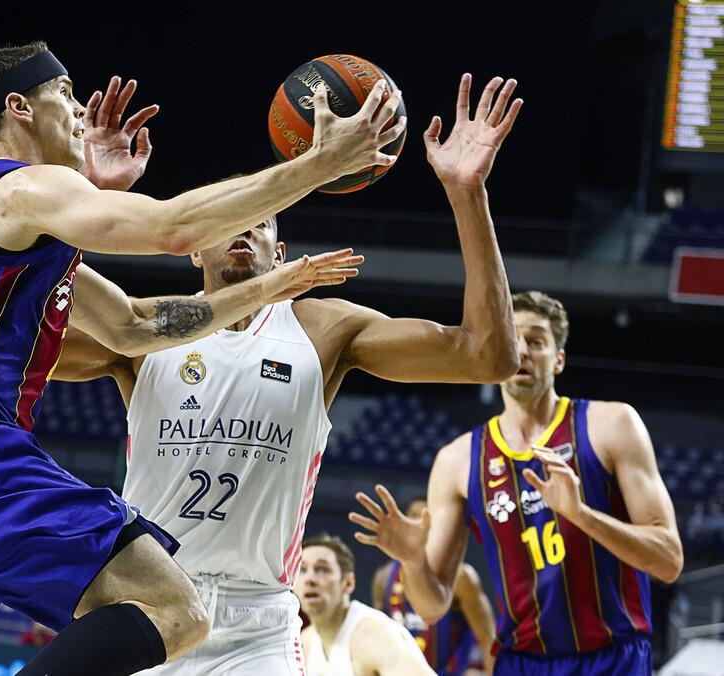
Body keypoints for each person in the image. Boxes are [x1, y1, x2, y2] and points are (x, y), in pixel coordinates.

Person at [0, 39, 403, 676]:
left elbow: (135, 325)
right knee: (176, 609)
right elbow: (174, 231)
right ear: (18, 107)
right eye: (65, 95)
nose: (81, 112)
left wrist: (269, 288)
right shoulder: (20, 187)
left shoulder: (10, 219)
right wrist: (315, 167)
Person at [53, 73, 522, 674]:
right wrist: (89, 202)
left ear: (279, 253)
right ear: (193, 246)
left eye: (262, 218)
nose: (244, 227)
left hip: (259, 629)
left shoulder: (322, 330)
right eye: (226, 219)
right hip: (147, 603)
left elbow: (488, 356)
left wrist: (467, 191)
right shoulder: (142, 334)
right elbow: (13, 345)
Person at [351, 290, 684, 674]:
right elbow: (432, 605)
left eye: (536, 341)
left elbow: (669, 560)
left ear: (558, 359)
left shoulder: (612, 425)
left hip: (613, 659)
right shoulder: (457, 460)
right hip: (522, 664)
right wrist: (412, 562)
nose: (522, 351)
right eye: (512, 339)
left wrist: (581, 514)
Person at [371, 498, 495, 675]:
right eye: (413, 516)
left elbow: (488, 639)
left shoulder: (461, 577)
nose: (417, 524)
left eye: (426, 517)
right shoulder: (384, 577)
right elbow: (378, 641)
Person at [294, 533, 434, 675]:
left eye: (322, 569)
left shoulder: (374, 636)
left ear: (348, 583)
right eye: (302, 570)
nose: (309, 579)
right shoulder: (304, 642)